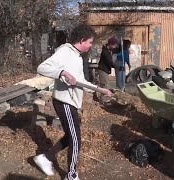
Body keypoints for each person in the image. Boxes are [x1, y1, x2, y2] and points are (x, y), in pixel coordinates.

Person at [33, 24, 114, 180]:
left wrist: (101, 90)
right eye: (90, 42)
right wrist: (62, 72)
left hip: (70, 102)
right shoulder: (65, 51)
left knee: (71, 137)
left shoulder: (76, 56)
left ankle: (46, 157)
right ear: (82, 40)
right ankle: (71, 175)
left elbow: (81, 81)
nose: (91, 45)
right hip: (64, 101)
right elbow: (42, 68)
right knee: (76, 138)